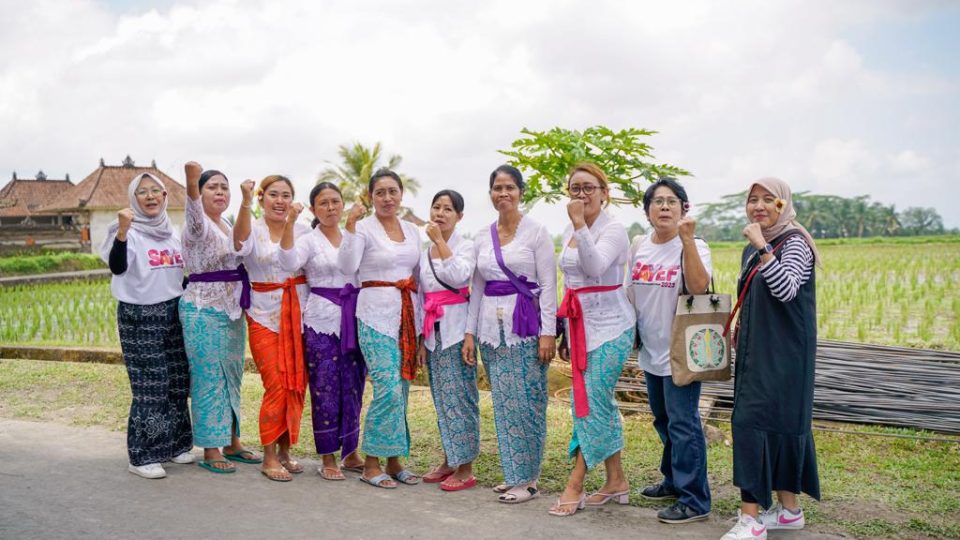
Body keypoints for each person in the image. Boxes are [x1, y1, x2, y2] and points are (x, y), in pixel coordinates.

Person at [722, 177, 822, 540]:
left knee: (751, 423)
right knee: (776, 425)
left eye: (769, 200)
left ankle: (751, 520)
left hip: (785, 353)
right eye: (753, 200)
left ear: (784, 205)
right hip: (760, 349)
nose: (759, 206)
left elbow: (785, 289)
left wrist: (763, 247)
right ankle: (790, 511)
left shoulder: (794, 243)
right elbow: (755, 297)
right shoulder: (752, 247)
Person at [464, 165, 557, 504]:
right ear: (490, 194)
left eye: (509, 187)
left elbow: (548, 285)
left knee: (528, 402)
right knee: (503, 403)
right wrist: (470, 333)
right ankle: (514, 473)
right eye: (497, 188)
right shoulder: (481, 236)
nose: (503, 194)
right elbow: (476, 288)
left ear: (521, 192)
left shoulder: (537, 232)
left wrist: (548, 333)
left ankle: (529, 480)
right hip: (491, 330)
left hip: (527, 329)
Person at [550, 163, 636, 516]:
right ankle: (616, 480)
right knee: (596, 403)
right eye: (575, 189)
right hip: (580, 326)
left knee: (590, 402)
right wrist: (564, 329)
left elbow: (596, 267)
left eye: (588, 188)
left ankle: (576, 482)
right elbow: (571, 279)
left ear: (605, 192)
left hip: (613, 327)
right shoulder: (572, 229)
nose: (581, 195)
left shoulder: (614, 229)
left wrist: (580, 225)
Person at [629, 178, 713, 523]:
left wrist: (687, 239)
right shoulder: (639, 246)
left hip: (682, 350)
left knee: (683, 424)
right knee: (663, 420)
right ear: (647, 211)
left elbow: (698, 286)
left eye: (672, 201)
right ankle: (673, 480)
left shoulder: (695, 245)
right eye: (657, 201)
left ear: (683, 209)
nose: (664, 206)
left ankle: (695, 499)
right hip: (651, 349)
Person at [100, 172, 194, 479]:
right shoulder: (123, 230)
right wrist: (124, 232)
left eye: (156, 191)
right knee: (151, 385)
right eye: (143, 192)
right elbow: (117, 266)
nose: (151, 196)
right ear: (133, 199)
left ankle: (176, 445)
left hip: (173, 310)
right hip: (140, 315)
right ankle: (142, 456)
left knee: (178, 381)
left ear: (166, 197)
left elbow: (182, 274)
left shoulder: (172, 232)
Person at [338, 168, 423, 489]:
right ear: (371, 197)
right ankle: (371, 463)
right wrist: (348, 227)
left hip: (406, 314)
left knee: (401, 389)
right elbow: (347, 267)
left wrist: (422, 323)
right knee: (387, 386)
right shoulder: (362, 229)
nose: (388, 198)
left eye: (393, 192)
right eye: (380, 193)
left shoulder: (413, 232)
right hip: (373, 314)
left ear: (401, 194)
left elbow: (420, 275)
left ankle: (395, 459)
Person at [278, 182, 366, 480]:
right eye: (323, 203)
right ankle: (328, 457)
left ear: (343, 205)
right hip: (321, 321)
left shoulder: (355, 235)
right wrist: (290, 222)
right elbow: (288, 262)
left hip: (354, 316)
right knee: (325, 387)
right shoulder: (309, 239)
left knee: (354, 386)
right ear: (314, 209)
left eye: (335, 202)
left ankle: (351, 452)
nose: (331, 208)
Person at [180, 161, 260, 474]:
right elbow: (192, 208)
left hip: (231, 310)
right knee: (208, 377)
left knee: (232, 376)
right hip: (203, 309)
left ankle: (232, 440)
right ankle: (211, 448)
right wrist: (190, 180)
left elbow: (242, 241)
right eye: (212, 186)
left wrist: (245, 199)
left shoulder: (226, 223)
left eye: (223, 187)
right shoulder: (197, 225)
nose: (219, 192)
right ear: (200, 193)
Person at [233, 175, 309, 482]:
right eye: (273, 195)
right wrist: (245, 201)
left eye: (286, 195)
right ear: (262, 198)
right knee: (276, 383)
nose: (280, 201)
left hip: (300, 317)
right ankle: (268, 456)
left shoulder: (304, 230)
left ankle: (285, 450)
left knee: (295, 384)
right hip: (263, 316)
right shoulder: (253, 227)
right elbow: (238, 243)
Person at [416, 190, 479, 491]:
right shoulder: (423, 252)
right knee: (442, 399)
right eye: (436, 207)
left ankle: (465, 467)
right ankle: (448, 459)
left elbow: (458, 276)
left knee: (461, 399)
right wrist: (420, 338)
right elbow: (421, 295)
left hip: (457, 331)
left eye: (448, 209)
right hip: (433, 332)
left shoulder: (465, 247)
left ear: (459, 217)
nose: (440, 214)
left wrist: (440, 241)